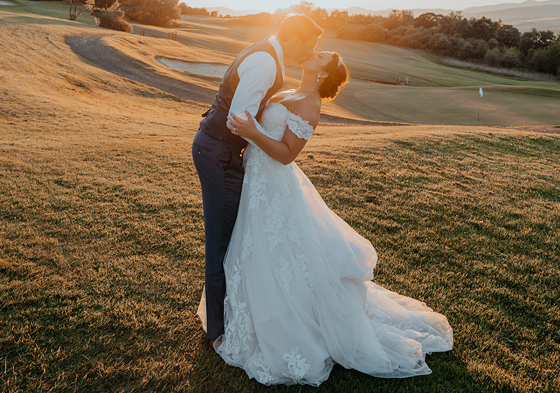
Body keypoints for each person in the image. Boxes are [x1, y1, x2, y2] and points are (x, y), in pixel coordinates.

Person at [198, 50, 453, 386]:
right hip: (257, 180)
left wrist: (254, 133)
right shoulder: (289, 92)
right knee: (253, 249)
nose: (312, 52)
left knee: (276, 253)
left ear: (322, 73)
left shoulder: (310, 104)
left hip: (273, 181)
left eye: (320, 55)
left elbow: (288, 154)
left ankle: (289, 323)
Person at [191, 14, 323, 351]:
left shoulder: (268, 54)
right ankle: (217, 332)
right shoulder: (266, 63)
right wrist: (264, 143)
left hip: (225, 152)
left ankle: (229, 314)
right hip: (219, 151)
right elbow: (239, 119)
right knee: (220, 240)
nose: (310, 50)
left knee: (232, 235)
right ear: (293, 38)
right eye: (308, 43)